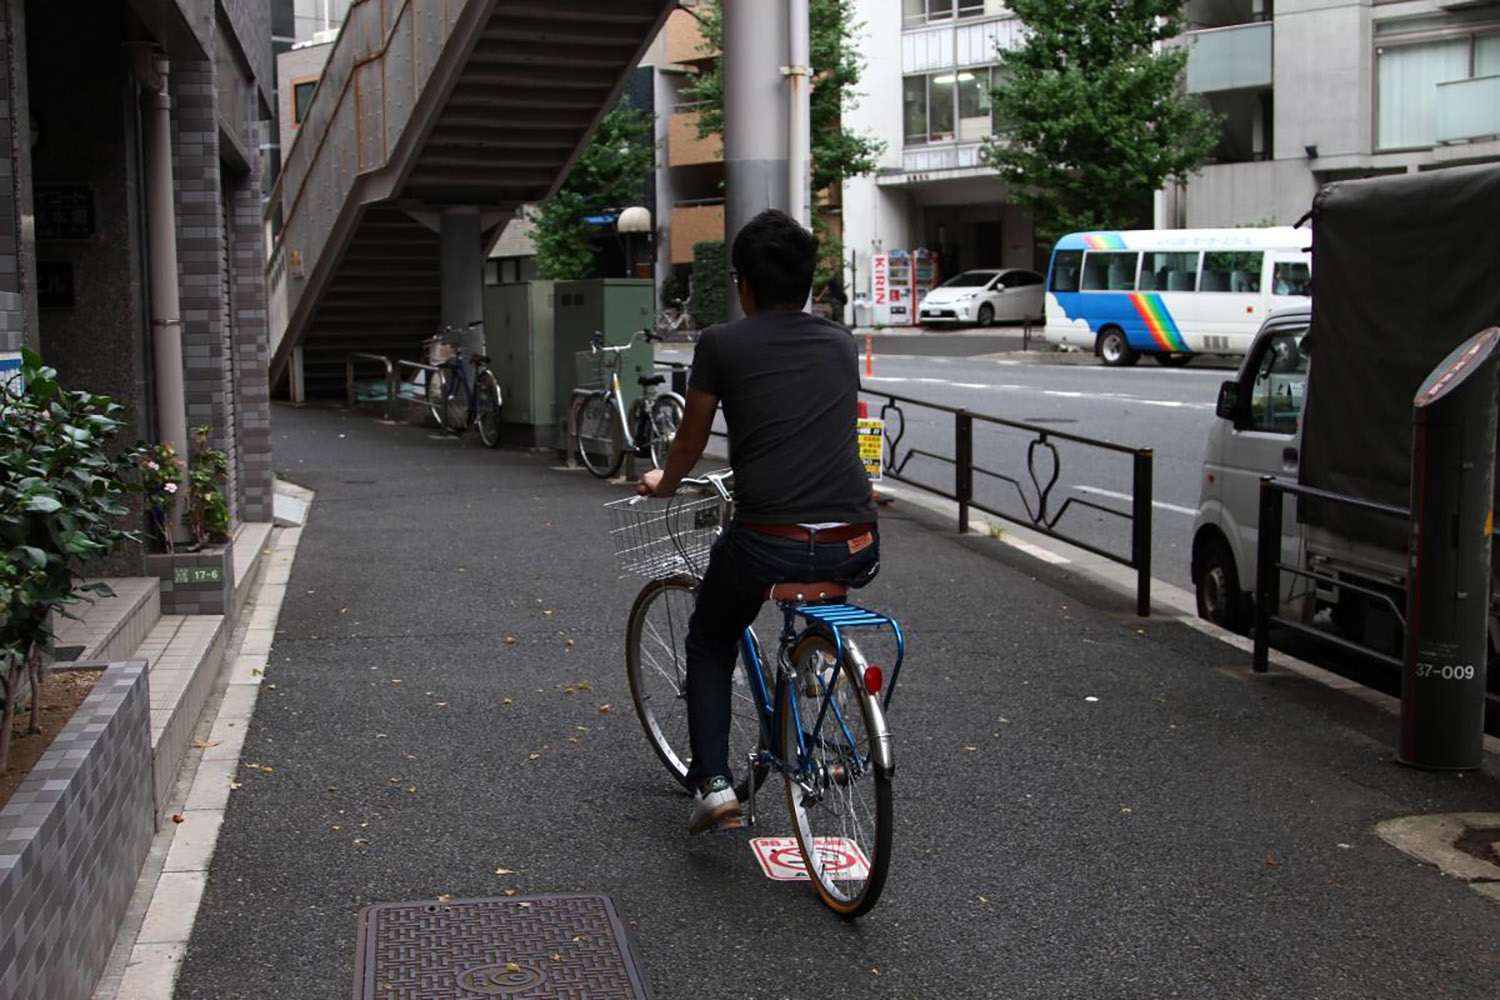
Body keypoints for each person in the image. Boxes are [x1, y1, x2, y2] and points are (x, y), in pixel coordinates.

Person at [637, 210, 879, 833]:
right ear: (806, 282)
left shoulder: (721, 344)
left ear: (743, 284)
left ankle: (714, 783)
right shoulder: (840, 341)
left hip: (766, 540)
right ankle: (814, 672)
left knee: (711, 637)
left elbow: (689, 443)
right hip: (853, 538)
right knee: (810, 579)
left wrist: (664, 482)